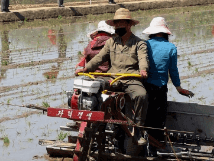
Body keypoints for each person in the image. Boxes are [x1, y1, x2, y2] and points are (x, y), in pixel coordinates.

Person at [76, 8, 149, 146]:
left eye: (121, 24)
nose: (117, 27)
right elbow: (99, 58)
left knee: (141, 95)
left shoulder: (139, 43)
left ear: (129, 25)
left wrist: (143, 70)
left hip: (130, 79)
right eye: (116, 24)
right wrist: (85, 68)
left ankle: (138, 129)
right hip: (112, 78)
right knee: (93, 87)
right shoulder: (111, 42)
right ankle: (95, 123)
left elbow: (143, 58)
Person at [142, 17, 194, 156]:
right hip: (159, 88)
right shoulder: (171, 47)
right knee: (158, 118)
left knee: (146, 116)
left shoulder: (144, 45)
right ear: (165, 33)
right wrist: (179, 88)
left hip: (144, 86)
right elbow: (173, 70)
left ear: (151, 32)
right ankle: (156, 146)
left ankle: (145, 144)